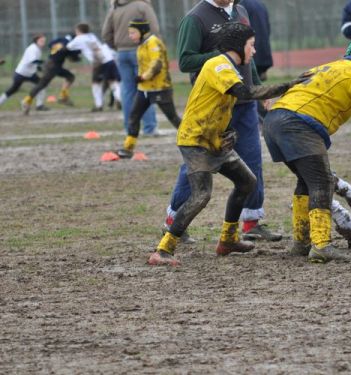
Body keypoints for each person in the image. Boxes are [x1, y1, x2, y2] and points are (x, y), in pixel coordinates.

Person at [148, 23, 310, 266]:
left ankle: (228, 239)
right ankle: (163, 250)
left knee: (247, 182)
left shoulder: (229, 66)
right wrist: (287, 86)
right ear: (238, 46)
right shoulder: (219, 64)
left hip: (214, 139)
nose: (254, 52)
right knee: (202, 195)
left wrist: (229, 131)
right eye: (251, 46)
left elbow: (220, 104)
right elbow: (243, 93)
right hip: (196, 140)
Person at [262, 36, 351, 263]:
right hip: (298, 123)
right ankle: (321, 245)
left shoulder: (326, 66)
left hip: (274, 119)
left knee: (306, 181)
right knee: (322, 182)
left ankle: (301, 242)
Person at [170, 0, 282, 243]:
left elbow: (247, 55)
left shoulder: (240, 11)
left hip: (244, 102)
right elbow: (185, 61)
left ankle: (252, 222)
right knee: (197, 165)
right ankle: (173, 220)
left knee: (253, 160)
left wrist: (257, 88)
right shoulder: (195, 18)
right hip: (215, 106)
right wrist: (225, 54)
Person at [115, 19, 181, 159]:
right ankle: (128, 148)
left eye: (133, 32)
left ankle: (196, 142)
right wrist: (141, 80)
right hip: (144, 89)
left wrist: (143, 77)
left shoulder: (153, 43)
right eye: (129, 33)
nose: (130, 36)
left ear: (142, 31)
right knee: (134, 116)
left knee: (173, 118)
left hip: (160, 88)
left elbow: (156, 64)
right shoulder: (141, 44)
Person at [102, 0, 159, 136]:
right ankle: (149, 128)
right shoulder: (142, 6)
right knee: (145, 88)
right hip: (141, 51)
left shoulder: (115, 7)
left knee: (127, 91)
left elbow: (105, 33)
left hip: (122, 53)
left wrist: (118, 47)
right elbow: (154, 29)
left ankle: (130, 129)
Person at [66, 23, 121, 112]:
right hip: (109, 60)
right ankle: (119, 99)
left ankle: (99, 105)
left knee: (96, 84)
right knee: (113, 81)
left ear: (78, 31)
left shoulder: (79, 38)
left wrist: (72, 40)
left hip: (99, 62)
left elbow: (69, 47)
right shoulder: (92, 36)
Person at [21, 35, 80, 115]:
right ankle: (26, 101)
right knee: (42, 84)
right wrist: (76, 55)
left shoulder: (61, 39)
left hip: (52, 63)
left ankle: (63, 96)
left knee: (70, 76)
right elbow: (74, 57)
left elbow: (50, 44)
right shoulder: (71, 44)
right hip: (53, 66)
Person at [0, 34, 48, 111]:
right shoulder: (33, 48)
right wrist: (45, 62)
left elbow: (33, 62)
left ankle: (39, 105)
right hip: (21, 73)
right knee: (12, 90)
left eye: (44, 41)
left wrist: (39, 68)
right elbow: (33, 61)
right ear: (36, 41)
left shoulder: (37, 48)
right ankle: (30, 103)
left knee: (42, 85)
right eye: (41, 41)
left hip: (30, 73)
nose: (43, 42)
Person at [240, 0, 273, 81]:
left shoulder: (241, 5)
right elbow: (268, 28)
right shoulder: (260, 4)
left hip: (250, 53)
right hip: (263, 51)